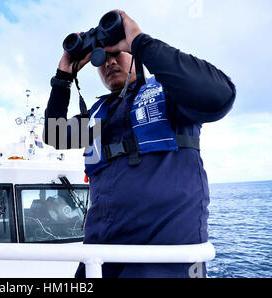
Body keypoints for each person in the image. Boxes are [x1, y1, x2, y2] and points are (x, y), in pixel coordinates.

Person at [43, 10, 236, 278]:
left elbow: (220, 97)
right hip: (102, 257)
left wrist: (140, 41)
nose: (109, 62)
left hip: (164, 259)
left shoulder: (172, 97)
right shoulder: (99, 116)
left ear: (134, 53)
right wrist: (63, 76)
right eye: (103, 59)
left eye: (117, 54)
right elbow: (54, 135)